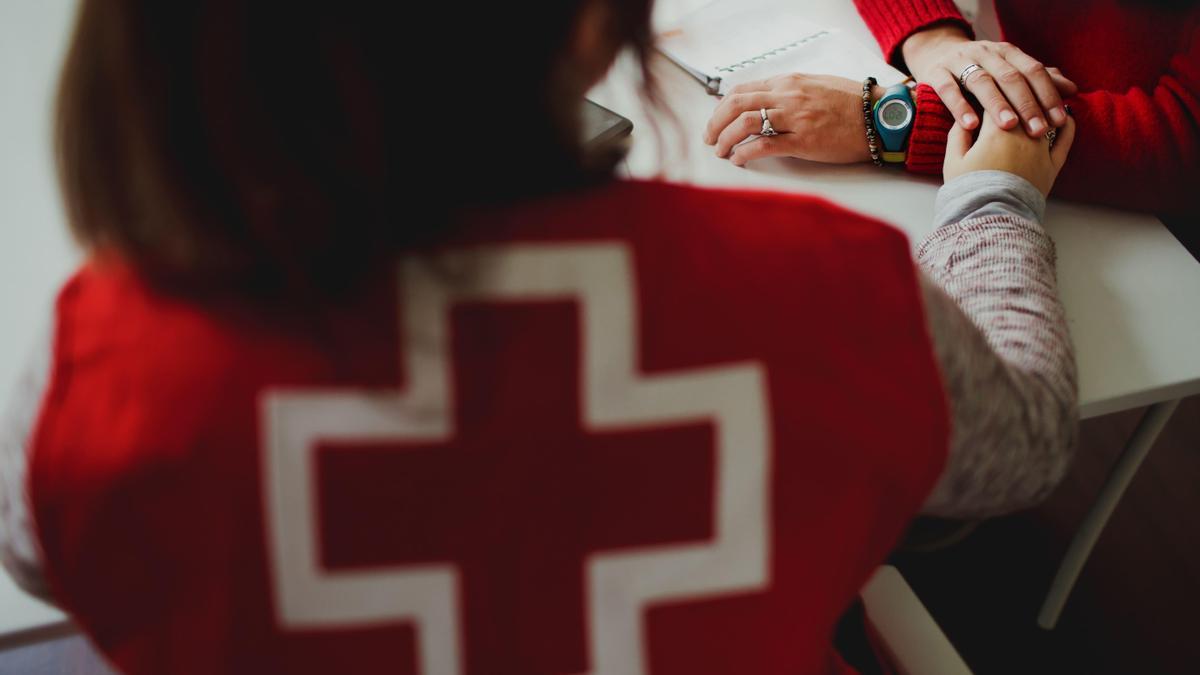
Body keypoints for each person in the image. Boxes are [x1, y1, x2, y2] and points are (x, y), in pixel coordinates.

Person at [0, 0, 1076, 672]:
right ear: (589, 25)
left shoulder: (94, 365)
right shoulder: (822, 286)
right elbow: (1022, 445)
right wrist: (991, 207)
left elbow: (50, 564)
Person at [705, 0, 1200, 215]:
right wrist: (936, 45)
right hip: (1013, 95)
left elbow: (1187, 136)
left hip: (1154, 227)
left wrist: (890, 119)